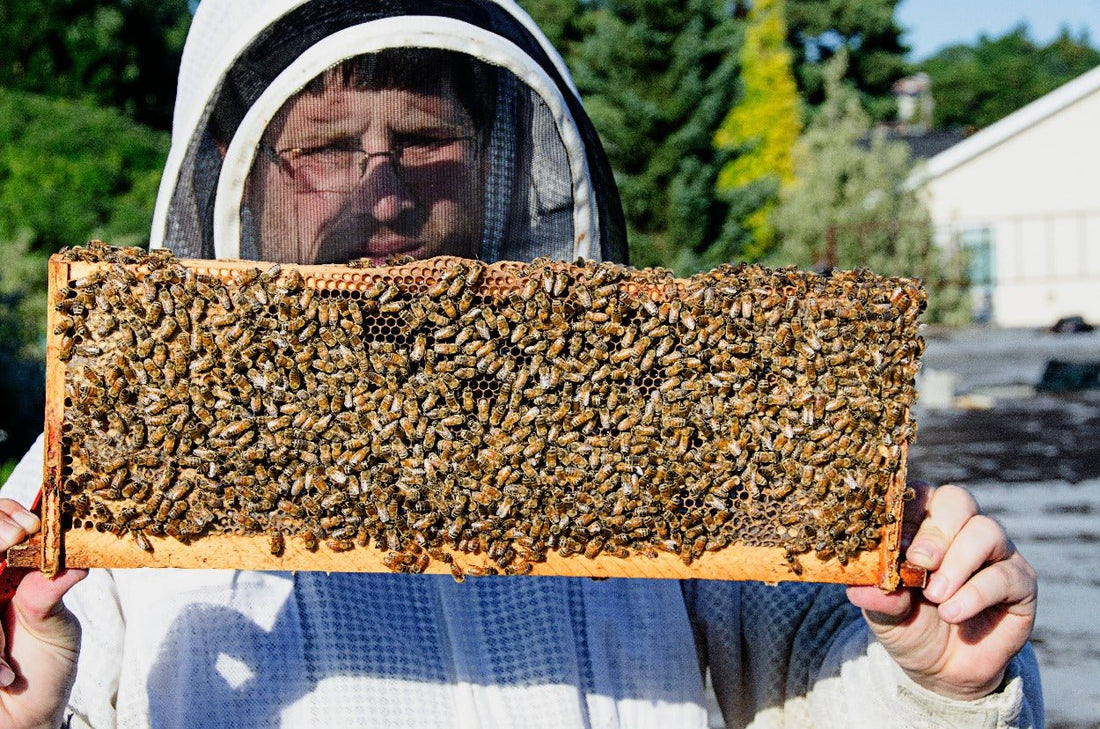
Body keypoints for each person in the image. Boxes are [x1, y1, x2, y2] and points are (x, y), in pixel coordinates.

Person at [0, 1, 1042, 727]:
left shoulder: (657, 425)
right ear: (236, 171)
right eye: (324, 146)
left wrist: (936, 686)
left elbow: (825, 686)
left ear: (502, 156)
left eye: (423, 134)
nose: (386, 192)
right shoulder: (94, 479)